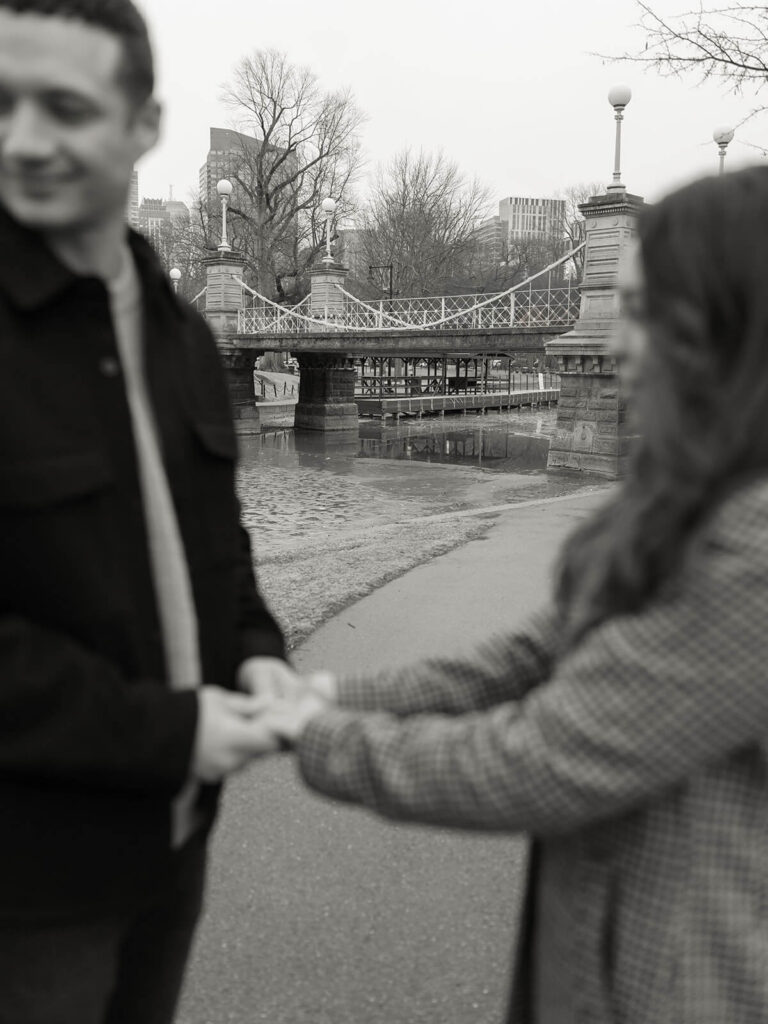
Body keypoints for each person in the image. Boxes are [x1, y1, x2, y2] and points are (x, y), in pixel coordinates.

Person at [254, 166, 768, 1024]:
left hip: (685, 985)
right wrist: (325, 692)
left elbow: (542, 760)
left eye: (642, 311)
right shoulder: (686, 498)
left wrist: (310, 735)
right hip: (600, 959)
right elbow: (531, 658)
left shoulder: (754, 552)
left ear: (730, 329)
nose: (612, 340)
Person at [0, 2, 293, 1021]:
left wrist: (258, 646)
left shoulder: (181, 334)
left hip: (174, 848)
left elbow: (219, 539)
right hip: (30, 890)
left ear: (144, 125)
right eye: (1, 105)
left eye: (64, 108)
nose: (22, 141)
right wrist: (168, 732)